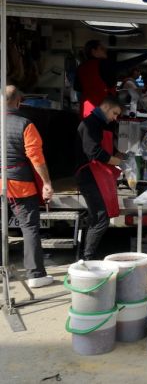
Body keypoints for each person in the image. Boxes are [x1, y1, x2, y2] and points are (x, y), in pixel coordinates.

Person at [2, 86, 55, 288]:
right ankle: (36, 275)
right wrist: (47, 183)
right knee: (30, 228)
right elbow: (36, 158)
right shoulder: (25, 124)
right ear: (19, 101)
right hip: (20, 186)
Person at [76, 96, 125, 260]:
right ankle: (87, 259)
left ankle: (86, 256)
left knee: (97, 217)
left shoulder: (102, 124)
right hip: (89, 176)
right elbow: (94, 152)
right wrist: (116, 161)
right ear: (106, 107)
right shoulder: (90, 124)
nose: (115, 118)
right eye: (115, 113)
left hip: (98, 175)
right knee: (100, 218)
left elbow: (106, 149)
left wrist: (119, 154)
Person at [75, 39, 147, 119]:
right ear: (93, 51)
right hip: (103, 111)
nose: (105, 50)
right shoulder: (103, 64)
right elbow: (125, 65)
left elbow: (77, 87)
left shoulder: (81, 68)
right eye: (101, 48)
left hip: (86, 110)